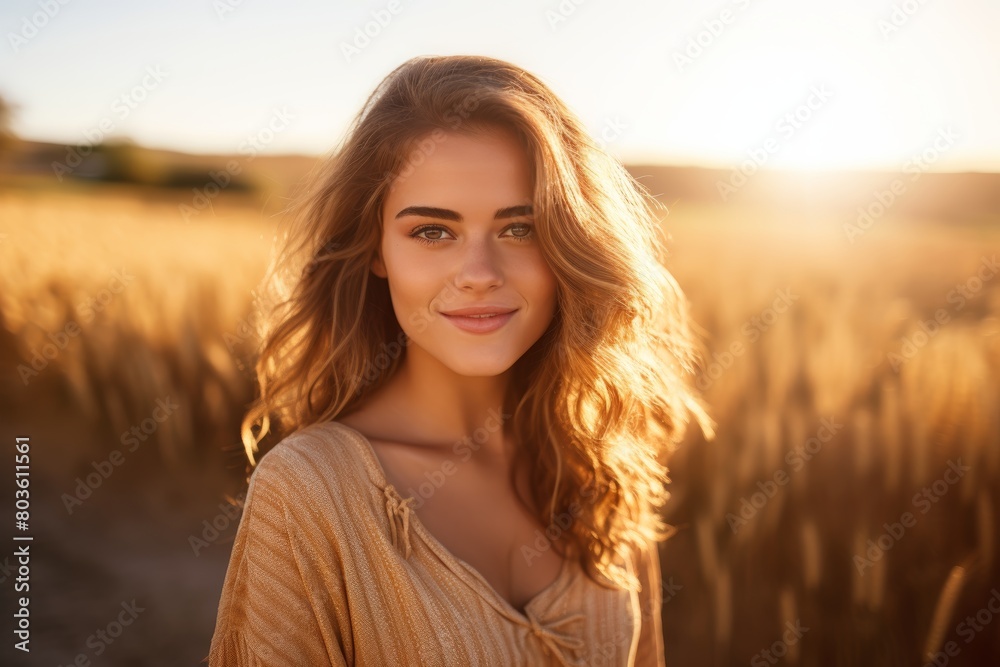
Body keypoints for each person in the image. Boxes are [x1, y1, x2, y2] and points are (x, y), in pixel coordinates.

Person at [207, 54, 713, 666]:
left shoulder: (602, 462)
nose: (478, 275)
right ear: (375, 250)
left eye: (519, 229)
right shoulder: (311, 491)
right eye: (431, 232)